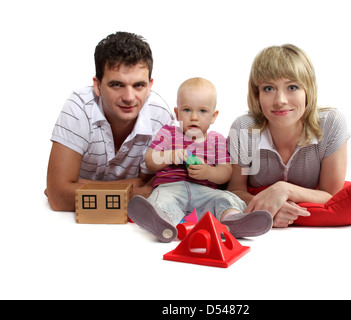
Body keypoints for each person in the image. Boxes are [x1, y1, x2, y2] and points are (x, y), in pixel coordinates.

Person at [127, 77, 272, 242]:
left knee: (226, 199)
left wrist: (208, 171)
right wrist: (170, 156)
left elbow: (226, 172)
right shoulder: (168, 133)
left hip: (205, 192)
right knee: (160, 199)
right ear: (177, 113)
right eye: (187, 110)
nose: (194, 117)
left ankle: (232, 220)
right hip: (171, 188)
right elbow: (149, 161)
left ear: (213, 116)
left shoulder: (216, 140)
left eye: (202, 111)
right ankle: (163, 223)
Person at [46, 32, 174, 212]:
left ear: (150, 85)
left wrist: (79, 185)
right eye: (117, 85)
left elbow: (161, 190)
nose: (129, 98)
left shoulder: (160, 115)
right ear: (97, 85)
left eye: (138, 85)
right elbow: (58, 198)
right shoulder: (79, 107)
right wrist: (138, 189)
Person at [227, 44, 350, 228]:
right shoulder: (244, 128)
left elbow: (331, 195)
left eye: (292, 87)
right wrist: (268, 210)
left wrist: (284, 189)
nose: (280, 101)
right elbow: (235, 190)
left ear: (308, 91)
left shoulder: (331, 123)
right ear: (257, 95)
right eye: (269, 89)